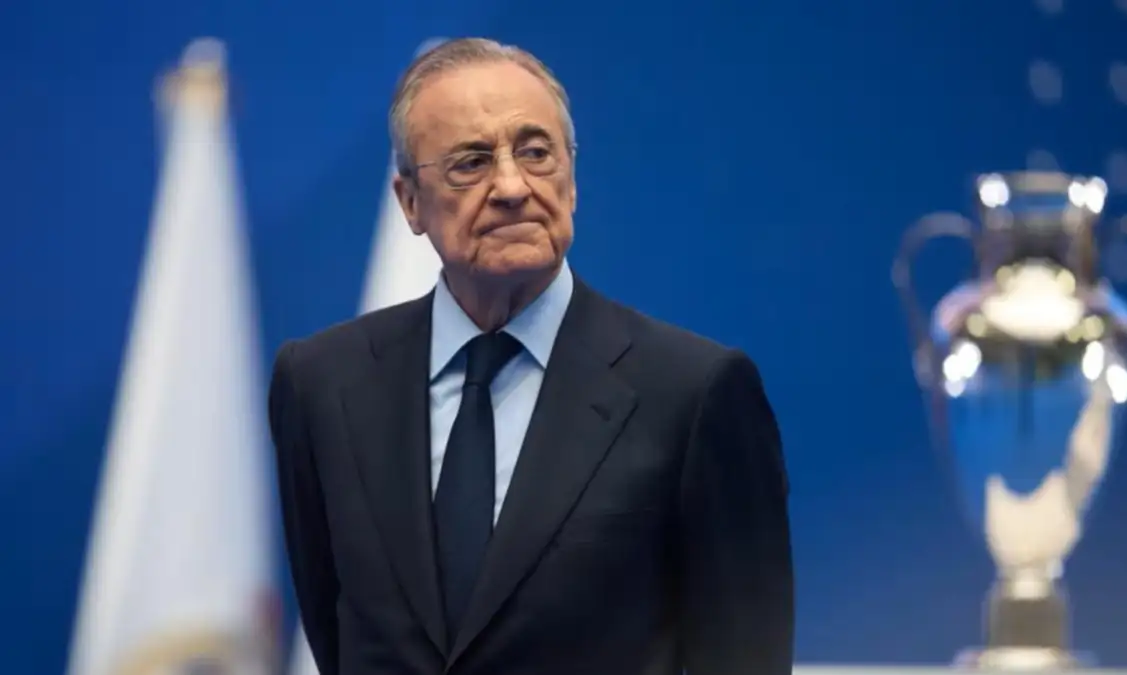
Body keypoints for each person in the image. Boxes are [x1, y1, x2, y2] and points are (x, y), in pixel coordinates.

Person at [269, 37, 793, 675]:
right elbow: (333, 633)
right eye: (471, 162)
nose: (512, 186)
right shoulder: (322, 383)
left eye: (536, 152)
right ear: (410, 202)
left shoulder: (694, 392)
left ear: (571, 181)